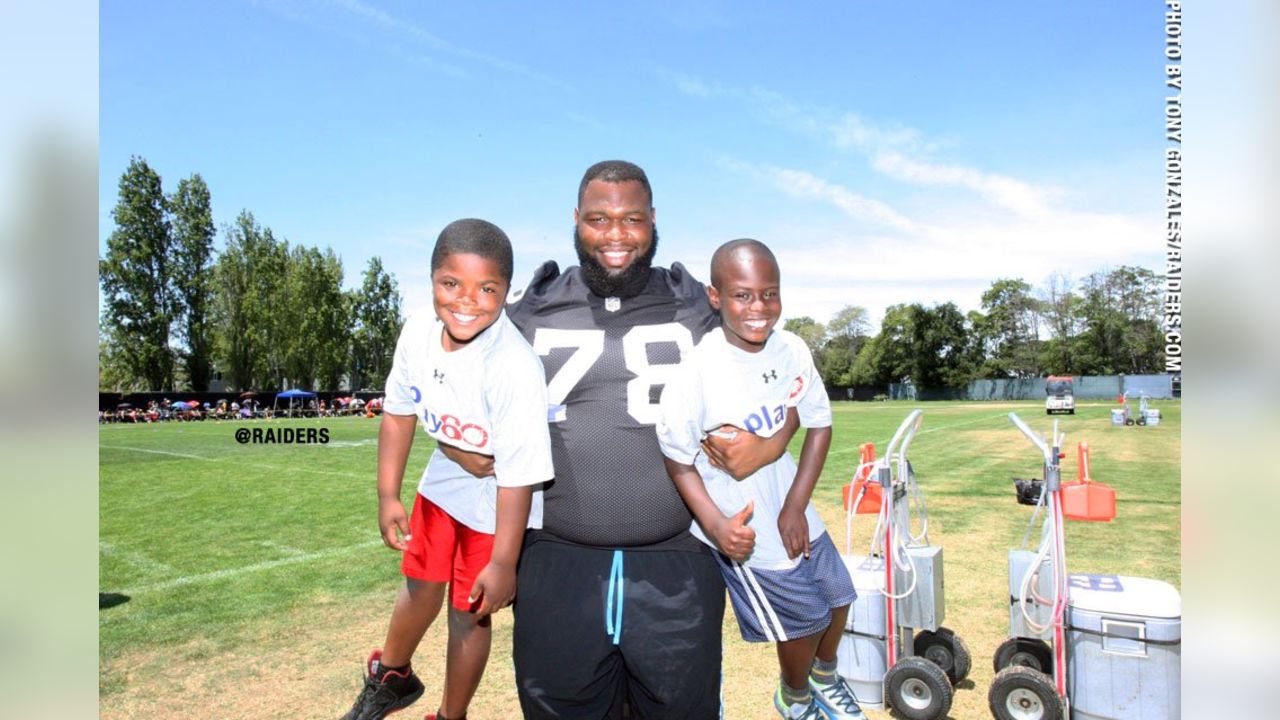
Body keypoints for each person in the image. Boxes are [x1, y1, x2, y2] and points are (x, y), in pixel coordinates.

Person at [491, 161, 800, 719]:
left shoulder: (699, 307)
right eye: (599, 219)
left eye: (631, 219)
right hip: (557, 564)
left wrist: (776, 440)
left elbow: (788, 386)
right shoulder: (527, 310)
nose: (616, 235)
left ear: (654, 220)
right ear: (575, 221)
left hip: (676, 562)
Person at [340, 219, 554, 720]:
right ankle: (392, 676)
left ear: (506, 292)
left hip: (499, 497)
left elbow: (518, 475)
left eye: (487, 288)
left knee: (468, 613)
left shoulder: (513, 365)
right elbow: (398, 412)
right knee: (419, 580)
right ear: (431, 279)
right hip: (445, 478)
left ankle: (450, 715)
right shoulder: (417, 329)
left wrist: (503, 562)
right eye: (451, 283)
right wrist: (387, 494)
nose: (466, 300)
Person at [656, 239, 864, 720]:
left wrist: (795, 505)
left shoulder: (791, 348)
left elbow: (818, 423)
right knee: (804, 619)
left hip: (790, 500)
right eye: (743, 295)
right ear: (715, 297)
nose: (758, 308)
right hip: (742, 522)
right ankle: (793, 698)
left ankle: (824, 677)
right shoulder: (697, 373)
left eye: (769, 294)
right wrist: (715, 525)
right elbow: (678, 461)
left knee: (839, 597)